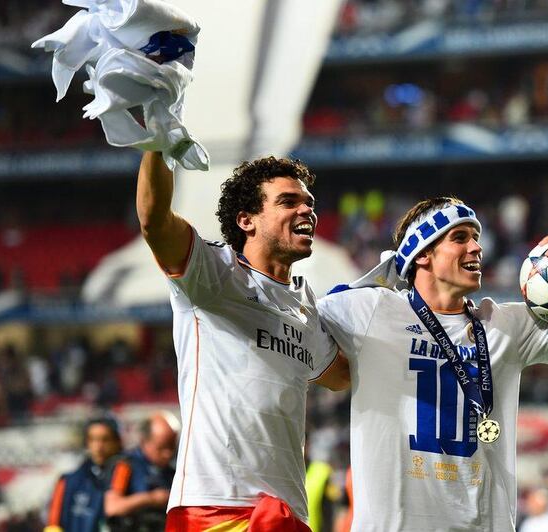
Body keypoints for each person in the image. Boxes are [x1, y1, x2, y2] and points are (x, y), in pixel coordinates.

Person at [317, 196, 548, 531]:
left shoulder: (505, 324)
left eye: (476, 238)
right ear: (422, 253)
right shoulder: (369, 310)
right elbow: (289, 321)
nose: (476, 248)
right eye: (460, 238)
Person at [135, 151, 349, 531]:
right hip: (213, 508)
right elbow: (155, 221)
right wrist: (158, 142)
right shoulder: (215, 274)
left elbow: (341, 376)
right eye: (288, 201)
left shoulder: (306, 309)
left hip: (289, 514)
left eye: (309, 203)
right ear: (246, 220)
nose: (306, 210)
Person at [45, 417, 123, 532]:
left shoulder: (133, 478)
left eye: (105, 440)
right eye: (93, 440)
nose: (99, 446)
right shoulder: (69, 482)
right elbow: (53, 525)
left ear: (117, 442)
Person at [104, 411, 179, 531]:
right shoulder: (125, 465)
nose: (167, 453)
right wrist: (151, 499)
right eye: (162, 447)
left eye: (172, 446)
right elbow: (113, 507)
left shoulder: (173, 471)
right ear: (145, 441)